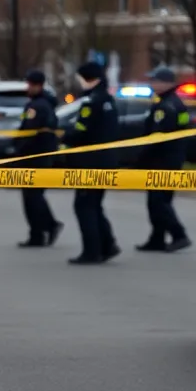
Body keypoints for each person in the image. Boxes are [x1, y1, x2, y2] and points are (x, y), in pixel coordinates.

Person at [61, 61, 121, 265]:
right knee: (94, 205)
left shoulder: (91, 102)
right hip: (106, 160)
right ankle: (108, 245)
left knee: (84, 206)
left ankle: (92, 251)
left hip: (89, 162)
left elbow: (81, 132)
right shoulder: (109, 100)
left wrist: (63, 136)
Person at [137, 65, 192, 253]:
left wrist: (140, 160)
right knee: (160, 200)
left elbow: (156, 138)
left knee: (158, 202)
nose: (152, 84)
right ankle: (157, 238)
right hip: (173, 158)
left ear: (166, 83)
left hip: (162, 161)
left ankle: (179, 235)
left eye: (155, 81)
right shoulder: (176, 103)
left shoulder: (165, 106)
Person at [15, 69, 64, 248]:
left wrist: (19, 147)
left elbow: (30, 131)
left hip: (35, 155)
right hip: (38, 154)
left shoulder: (38, 106)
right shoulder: (38, 104)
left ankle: (47, 228)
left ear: (38, 86)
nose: (28, 88)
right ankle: (39, 232)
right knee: (33, 196)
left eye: (30, 85)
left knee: (33, 196)